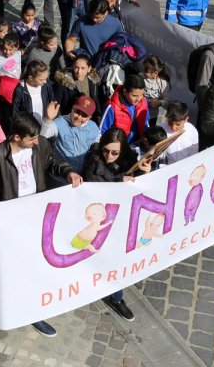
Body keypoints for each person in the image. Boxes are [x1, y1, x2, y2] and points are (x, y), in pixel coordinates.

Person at [0, 113, 82, 337]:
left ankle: (33, 310)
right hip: (12, 219)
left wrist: (68, 172)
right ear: (17, 137)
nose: (36, 141)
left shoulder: (40, 145)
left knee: (35, 263)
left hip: (37, 214)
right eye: (32, 138)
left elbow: (51, 162)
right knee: (10, 264)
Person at [78, 126, 140, 320]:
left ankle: (117, 297)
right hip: (102, 220)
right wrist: (122, 182)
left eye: (115, 153)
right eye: (106, 150)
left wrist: (144, 172)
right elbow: (98, 192)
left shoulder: (130, 159)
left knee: (118, 260)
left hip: (124, 218)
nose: (109, 156)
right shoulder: (94, 162)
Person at [49, 95, 102, 176]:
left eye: (84, 115)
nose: (79, 117)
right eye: (77, 112)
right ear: (73, 108)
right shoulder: (59, 122)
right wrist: (48, 119)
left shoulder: (93, 127)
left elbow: (98, 146)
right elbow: (41, 137)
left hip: (83, 176)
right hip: (62, 176)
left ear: (90, 117)